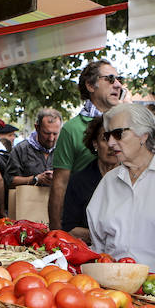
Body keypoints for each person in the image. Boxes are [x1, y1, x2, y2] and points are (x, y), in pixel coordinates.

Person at [86, 104, 155, 272]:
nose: (110, 143)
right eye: (107, 135)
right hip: (112, 286)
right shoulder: (109, 181)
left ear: (144, 135)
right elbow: (98, 243)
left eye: (118, 134)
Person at [49, 59, 124, 229]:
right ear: (91, 85)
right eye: (110, 79)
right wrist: (55, 231)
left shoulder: (129, 124)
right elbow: (59, 184)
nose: (118, 85)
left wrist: (130, 106)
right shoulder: (71, 129)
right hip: (84, 222)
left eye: (120, 80)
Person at [61, 117, 119, 242]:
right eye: (105, 139)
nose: (112, 145)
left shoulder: (133, 178)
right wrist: (106, 237)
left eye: (118, 137)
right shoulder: (78, 181)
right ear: (95, 143)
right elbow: (70, 229)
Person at [6, 108, 62, 188]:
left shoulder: (63, 150)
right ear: (37, 128)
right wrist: (35, 179)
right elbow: (9, 180)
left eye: (55, 134)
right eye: (47, 133)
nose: (51, 138)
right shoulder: (21, 149)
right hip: (28, 199)